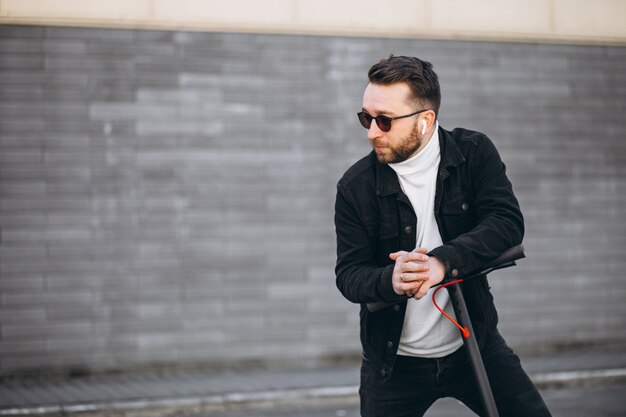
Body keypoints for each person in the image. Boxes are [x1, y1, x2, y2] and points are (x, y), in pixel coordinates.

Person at [334, 55, 552, 417]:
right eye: (365, 118)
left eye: (385, 120)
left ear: (425, 120)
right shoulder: (355, 187)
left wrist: (442, 263)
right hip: (392, 365)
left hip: (475, 346)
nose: (372, 131)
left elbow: (506, 221)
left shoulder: (473, 153)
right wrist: (392, 279)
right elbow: (349, 275)